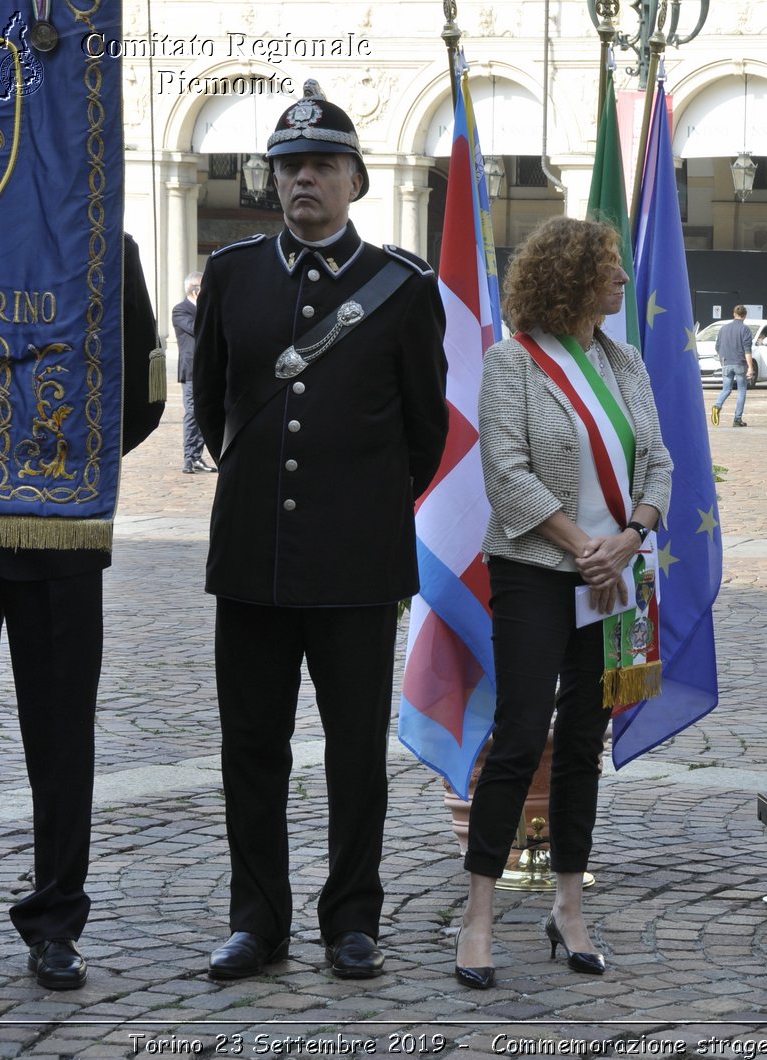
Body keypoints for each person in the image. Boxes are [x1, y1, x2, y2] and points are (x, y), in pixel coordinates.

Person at [191, 82, 448, 982]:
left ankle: (351, 919)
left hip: (356, 563)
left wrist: (363, 504)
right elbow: (213, 405)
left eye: (323, 165)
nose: (305, 179)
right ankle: (256, 920)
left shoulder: (404, 288)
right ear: (274, 180)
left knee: (352, 753)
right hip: (252, 560)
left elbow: (427, 431)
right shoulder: (230, 275)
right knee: (252, 747)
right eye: (291, 166)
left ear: (355, 181)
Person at [455, 216, 673, 989]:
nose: (621, 280)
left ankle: (568, 907)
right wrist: (585, 546)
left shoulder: (628, 363)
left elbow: (660, 463)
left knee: (584, 738)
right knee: (520, 734)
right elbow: (506, 472)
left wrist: (632, 535)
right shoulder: (511, 363)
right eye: (609, 269)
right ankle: (478, 917)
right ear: (571, 278)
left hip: (618, 571)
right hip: (537, 568)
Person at [0, 235, 165, 989]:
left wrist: (67, 460)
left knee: (61, 734)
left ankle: (55, 922)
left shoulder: (101, 244)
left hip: (54, 526)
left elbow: (143, 393)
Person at [172, 271, 214, 474]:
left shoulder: (206, 309)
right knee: (192, 413)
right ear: (194, 290)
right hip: (190, 371)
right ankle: (189, 458)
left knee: (205, 412)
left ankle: (198, 457)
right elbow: (198, 329)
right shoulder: (181, 310)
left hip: (208, 368)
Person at [710, 304, 755, 428]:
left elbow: (717, 348)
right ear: (745, 315)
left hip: (726, 363)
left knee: (726, 389)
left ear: (734, 314)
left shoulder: (723, 328)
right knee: (741, 391)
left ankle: (717, 406)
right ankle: (737, 419)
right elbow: (747, 350)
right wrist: (750, 368)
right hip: (740, 363)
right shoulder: (745, 329)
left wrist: (722, 361)